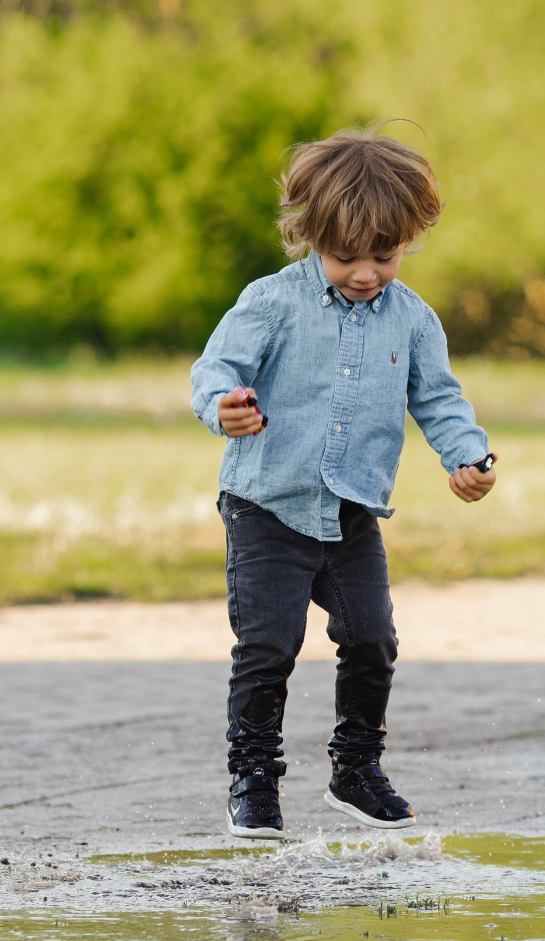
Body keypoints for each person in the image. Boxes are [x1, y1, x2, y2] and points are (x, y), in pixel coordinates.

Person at [190, 125, 496, 839]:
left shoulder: (414, 319)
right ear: (308, 235)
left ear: (408, 239)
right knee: (269, 643)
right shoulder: (272, 301)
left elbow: (440, 399)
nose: (365, 273)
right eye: (345, 256)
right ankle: (254, 781)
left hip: (353, 510)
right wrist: (225, 407)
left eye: (383, 257)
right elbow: (217, 370)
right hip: (266, 506)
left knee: (373, 639)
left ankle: (356, 770)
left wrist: (469, 457)